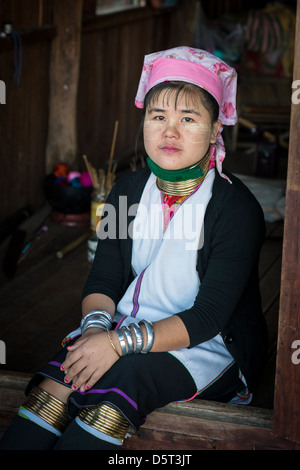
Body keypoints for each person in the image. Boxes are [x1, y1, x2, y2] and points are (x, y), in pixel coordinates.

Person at [0, 46, 268, 450]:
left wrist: (115, 345)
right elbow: (104, 278)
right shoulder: (125, 193)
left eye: (189, 119)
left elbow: (209, 318)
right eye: (158, 116)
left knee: (120, 388)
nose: (169, 131)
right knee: (58, 382)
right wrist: (95, 333)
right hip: (120, 329)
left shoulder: (236, 209)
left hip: (207, 345)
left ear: (215, 130)